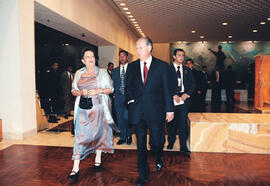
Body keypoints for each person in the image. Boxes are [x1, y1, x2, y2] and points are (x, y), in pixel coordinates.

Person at [125, 37, 174, 186]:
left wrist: (170, 110)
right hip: (138, 111)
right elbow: (128, 88)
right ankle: (143, 174)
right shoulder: (132, 66)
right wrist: (131, 101)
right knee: (140, 144)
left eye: (140, 47)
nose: (137, 50)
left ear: (149, 48)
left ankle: (158, 156)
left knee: (156, 141)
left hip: (156, 111)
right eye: (137, 47)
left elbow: (167, 90)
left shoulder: (162, 66)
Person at [68, 48, 117, 180]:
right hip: (83, 109)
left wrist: (98, 90)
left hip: (99, 108)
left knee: (99, 134)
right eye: (87, 56)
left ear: (95, 58)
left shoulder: (102, 72)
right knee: (80, 136)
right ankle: (75, 168)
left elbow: (111, 89)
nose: (90, 58)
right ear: (83, 60)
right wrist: (80, 92)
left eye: (92, 56)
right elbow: (73, 90)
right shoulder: (78, 74)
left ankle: (98, 157)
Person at [167, 49, 196, 155]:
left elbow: (193, 84)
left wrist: (187, 94)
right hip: (172, 99)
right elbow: (164, 85)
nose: (182, 57)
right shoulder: (168, 69)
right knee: (171, 123)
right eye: (179, 55)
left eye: (183, 55)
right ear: (174, 56)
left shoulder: (187, 70)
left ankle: (183, 146)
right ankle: (171, 141)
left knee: (183, 122)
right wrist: (173, 95)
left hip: (184, 99)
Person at [112, 50, 132, 145]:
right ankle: (123, 137)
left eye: (124, 56)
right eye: (120, 56)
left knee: (127, 118)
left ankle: (129, 135)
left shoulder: (132, 69)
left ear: (127, 57)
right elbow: (112, 85)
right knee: (120, 118)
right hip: (118, 98)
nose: (122, 58)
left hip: (129, 98)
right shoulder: (115, 71)